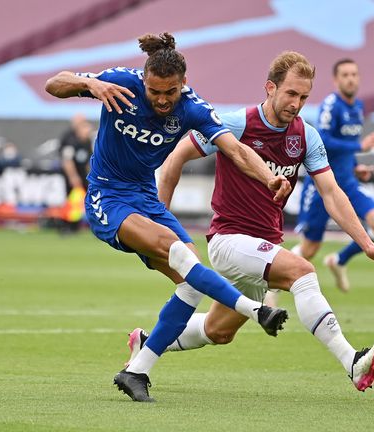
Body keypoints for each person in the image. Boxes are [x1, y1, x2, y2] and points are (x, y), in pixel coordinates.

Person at [129, 51, 374, 393]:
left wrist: (368, 245)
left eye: (304, 96)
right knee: (302, 272)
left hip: (264, 248)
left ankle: (146, 342)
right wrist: (160, 222)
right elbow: (175, 160)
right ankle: (352, 362)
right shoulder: (235, 124)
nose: (297, 103)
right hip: (229, 240)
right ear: (270, 88)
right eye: (290, 93)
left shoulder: (307, 136)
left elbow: (332, 193)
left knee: (219, 331)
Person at [44, 32, 292, 403]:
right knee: (175, 249)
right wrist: (89, 84)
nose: (162, 100)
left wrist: (269, 176)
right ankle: (256, 310)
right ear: (144, 81)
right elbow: (53, 84)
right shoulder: (121, 82)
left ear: (183, 84)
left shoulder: (192, 108)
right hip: (107, 196)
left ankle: (137, 370)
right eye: (154, 92)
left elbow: (236, 151)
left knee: (190, 281)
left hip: (145, 196)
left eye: (170, 92)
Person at [284, 58, 374, 294]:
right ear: (336, 80)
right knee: (310, 248)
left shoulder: (357, 108)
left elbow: (347, 145)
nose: (350, 79)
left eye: (354, 74)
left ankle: (339, 260)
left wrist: (354, 165)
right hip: (324, 185)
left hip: (349, 183)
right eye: (345, 75)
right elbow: (322, 141)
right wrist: (360, 147)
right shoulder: (332, 105)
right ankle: (273, 283)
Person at [59, 114, 94, 234]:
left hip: (84, 175)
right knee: (71, 201)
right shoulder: (70, 140)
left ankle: (82, 226)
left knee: (88, 200)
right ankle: (67, 227)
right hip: (72, 175)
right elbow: (67, 161)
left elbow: (88, 160)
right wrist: (73, 177)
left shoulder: (87, 141)